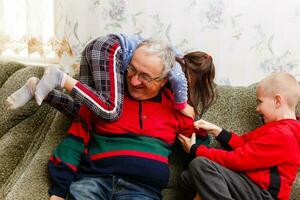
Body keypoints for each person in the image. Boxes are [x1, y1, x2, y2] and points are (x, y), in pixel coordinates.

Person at [47, 39, 210, 200]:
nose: (134, 80)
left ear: (164, 80)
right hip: (92, 182)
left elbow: (202, 147)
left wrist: (197, 147)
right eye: (131, 68)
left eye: (145, 76)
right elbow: (73, 143)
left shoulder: (174, 107)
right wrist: (58, 191)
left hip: (142, 190)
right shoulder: (106, 97)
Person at [6, 34, 194, 120]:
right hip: (110, 48)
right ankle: (59, 77)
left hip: (99, 47)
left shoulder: (164, 60)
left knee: (86, 111)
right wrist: (181, 105)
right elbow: (180, 81)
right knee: (111, 111)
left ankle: (37, 88)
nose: (136, 81)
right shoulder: (174, 63)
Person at [178, 71, 300, 200]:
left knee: (200, 165)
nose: (257, 109)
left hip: (264, 194)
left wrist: (195, 150)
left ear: (277, 101)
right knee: (187, 177)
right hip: (249, 187)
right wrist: (217, 131)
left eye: (260, 102)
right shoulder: (276, 129)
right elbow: (244, 145)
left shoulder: (282, 135)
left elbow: (238, 160)